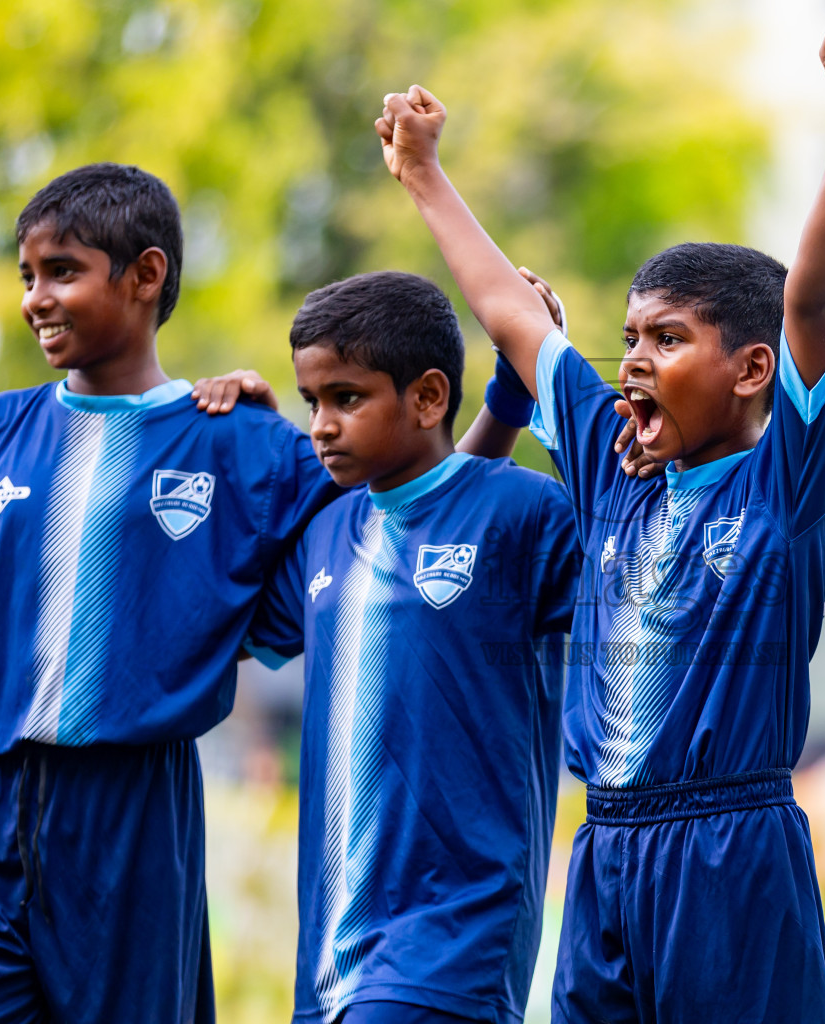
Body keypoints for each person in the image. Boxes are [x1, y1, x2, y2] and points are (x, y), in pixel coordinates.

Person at [375, 10, 825, 1020]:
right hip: (605, 847)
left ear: (753, 370)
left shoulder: (789, 483)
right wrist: (425, 175)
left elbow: (814, 307)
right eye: (628, 338)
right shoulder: (616, 476)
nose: (634, 361)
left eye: (667, 338)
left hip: (730, 851)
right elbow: (515, 320)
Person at [0, 162, 346, 1022]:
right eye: (27, 276)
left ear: (147, 275)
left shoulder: (242, 447)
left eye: (62, 272)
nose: (36, 299)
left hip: (132, 814)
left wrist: (282, 429)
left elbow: (400, 507)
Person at [235, 269, 580, 1024]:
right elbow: (224, 631)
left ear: (426, 397)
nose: (321, 424)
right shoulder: (327, 533)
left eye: (346, 398)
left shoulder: (525, 512)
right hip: (328, 966)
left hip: (452, 948)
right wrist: (238, 437)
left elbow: (631, 586)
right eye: (311, 402)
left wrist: (529, 382)